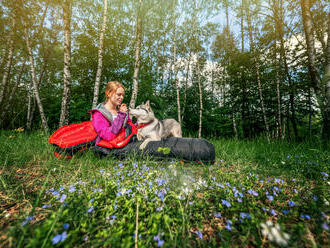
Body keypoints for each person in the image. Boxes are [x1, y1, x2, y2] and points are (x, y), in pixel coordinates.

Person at [89, 81, 131, 146]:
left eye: (123, 95)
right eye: (119, 94)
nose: (122, 97)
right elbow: (108, 135)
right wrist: (121, 115)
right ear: (108, 93)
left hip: (124, 142)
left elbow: (129, 126)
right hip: (106, 147)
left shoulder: (122, 110)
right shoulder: (99, 113)